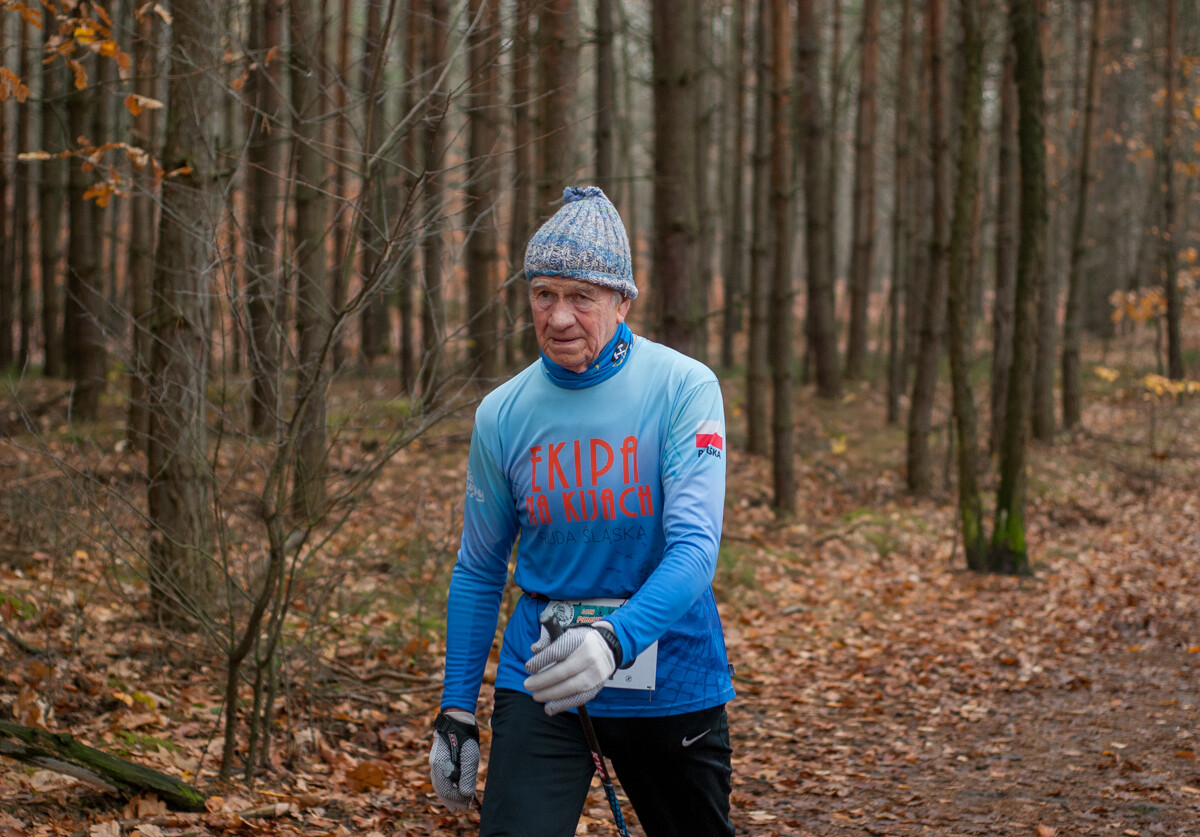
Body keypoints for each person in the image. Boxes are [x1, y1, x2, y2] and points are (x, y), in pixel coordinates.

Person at [428, 185, 736, 837]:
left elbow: (694, 550)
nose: (560, 316)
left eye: (581, 296)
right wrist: (455, 709)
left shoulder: (683, 388)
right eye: (544, 294)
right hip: (541, 677)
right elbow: (479, 568)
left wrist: (613, 638)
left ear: (623, 301)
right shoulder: (502, 414)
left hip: (670, 668)